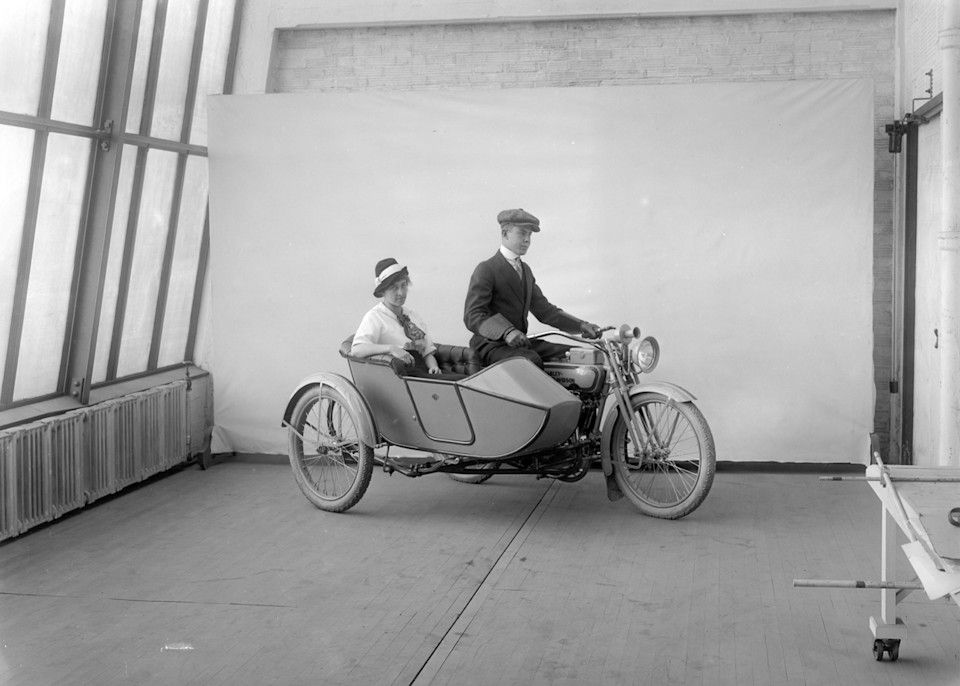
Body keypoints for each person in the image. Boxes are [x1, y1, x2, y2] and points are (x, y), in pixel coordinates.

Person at [463, 208, 603, 368]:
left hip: (518, 344)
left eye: (529, 235)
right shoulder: (487, 269)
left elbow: (545, 311)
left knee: (578, 354)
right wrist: (506, 332)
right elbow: (473, 315)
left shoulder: (526, 271)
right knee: (530, 361)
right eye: (522, 233)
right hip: (489, 345)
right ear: (505, 234)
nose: (527, 240)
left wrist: (581, 325)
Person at [352, 258, 442, 376]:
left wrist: (433, 367)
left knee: (463, 381)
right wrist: (391, 348)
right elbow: (357, 350)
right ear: (383, 291)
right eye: (394, 288)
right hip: (404, 375)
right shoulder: (375, 317)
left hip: (425, 373)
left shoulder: (412, 315)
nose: (401, 293)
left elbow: (427, 353)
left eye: (403, 285)